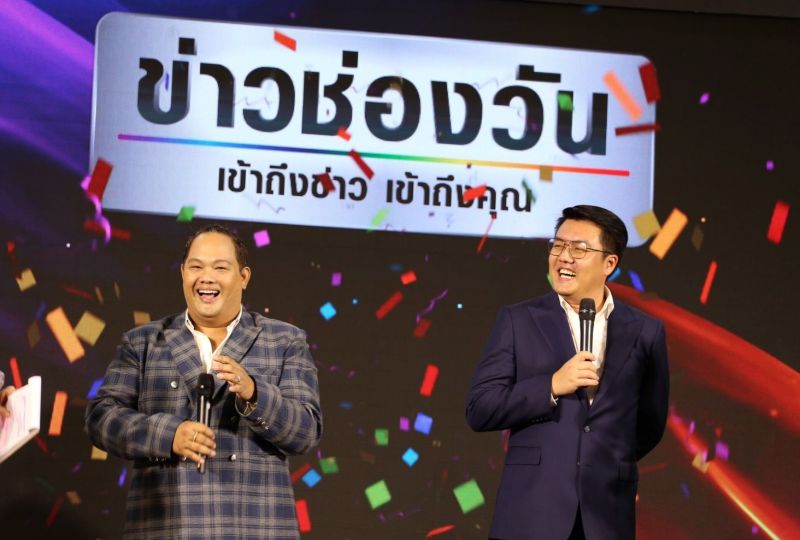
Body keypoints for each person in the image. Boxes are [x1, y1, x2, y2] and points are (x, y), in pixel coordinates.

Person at [86, 224, 322, 539]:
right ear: (183, 273)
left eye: (220, 268)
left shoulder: (283, 340)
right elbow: (101, 419)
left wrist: (254, 394)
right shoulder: (143, 342)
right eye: (196, 267)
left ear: (244, 277)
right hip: (167, 526)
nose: (206, 277)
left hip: (254, 527)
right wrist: (169, 435)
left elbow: (306, 432)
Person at [466, 205, 669, 540]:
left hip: (606, 515)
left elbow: (650, 423)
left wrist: (605, 460)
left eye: (579, 249)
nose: (564, 257)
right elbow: (480, 407)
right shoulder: (519, 320)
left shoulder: (645, 331)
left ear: (609, 264)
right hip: (531, 514)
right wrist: (551, 386)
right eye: (558, 245)